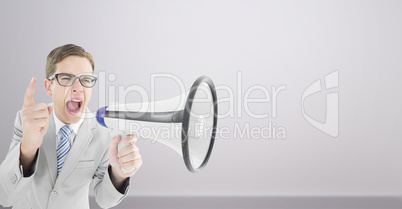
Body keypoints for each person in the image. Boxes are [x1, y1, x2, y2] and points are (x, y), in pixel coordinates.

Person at [0, 44, 142, 208]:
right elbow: (5, 197)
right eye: (66, 78)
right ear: (49, 87)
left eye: (86, 80)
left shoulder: (104, 133)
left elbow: (105, 200)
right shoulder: (27, 121)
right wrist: (27, 149)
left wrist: (118, 174)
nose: (78, 88)